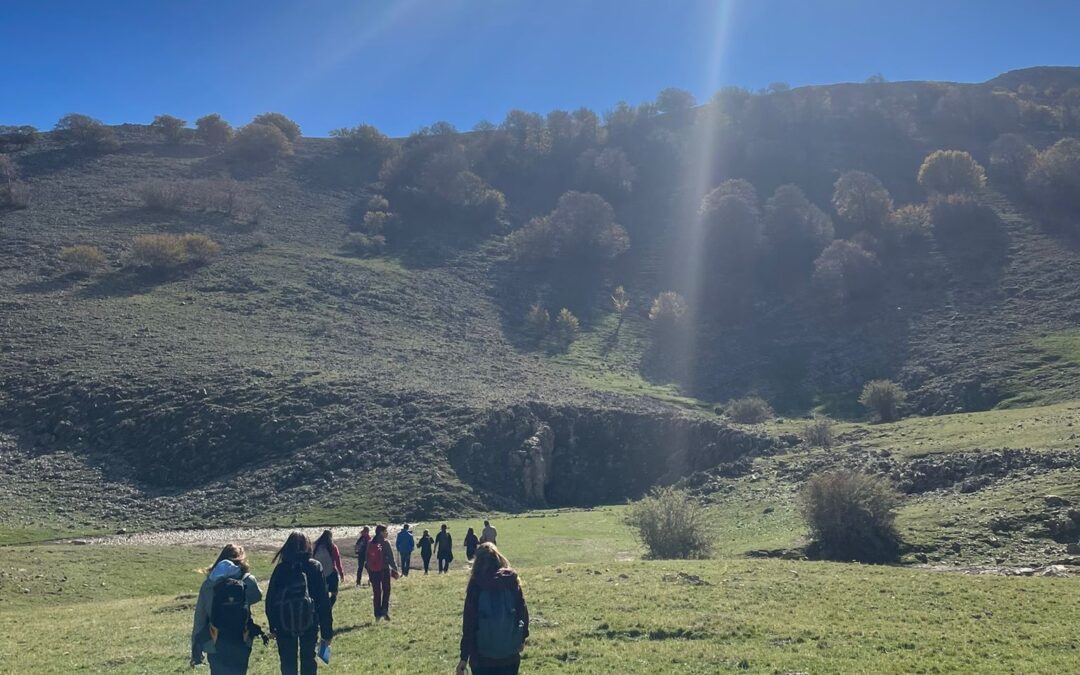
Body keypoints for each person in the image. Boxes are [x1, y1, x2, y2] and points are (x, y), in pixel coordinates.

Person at [456, 543, 529, 675]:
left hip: (482, 658)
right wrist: (522, 638)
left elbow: (469, 624)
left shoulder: (476, 584)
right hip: (509, 654)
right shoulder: (510, 580)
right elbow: (522, 612)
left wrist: (463, 658)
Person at [266, 532, 333, 675]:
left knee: (287, 663)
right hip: (310, 621)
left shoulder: (281, 569)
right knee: (308, 660)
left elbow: (270, 600)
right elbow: (323, 600)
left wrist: (273, 626)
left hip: (285, 623)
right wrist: (327, 632)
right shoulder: (314, 567)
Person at [190, 543, 263, 674]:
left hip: (215, 641)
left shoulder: (209, 584)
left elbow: (200, 617)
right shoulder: (247, 580)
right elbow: (258, 596)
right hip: (242, 639)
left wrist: (195, 646)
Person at [366, 524, 399, 620]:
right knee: (386, 590)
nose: (387, 533)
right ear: (381, 532)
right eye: (386, 531)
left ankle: (377, 614)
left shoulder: (370, 542)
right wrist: (395, 569)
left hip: (373, 571)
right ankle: (384, 610)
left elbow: (366, 558)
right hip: (384, 570)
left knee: (376, 592)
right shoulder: (385, 543)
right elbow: (391, 559)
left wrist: (369, 570)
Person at [312, 530, 345, 607]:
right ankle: (329, 606)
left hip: (319, 574)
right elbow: (337, 561)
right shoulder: (333, 547)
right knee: (334, 593)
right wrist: (341, 573)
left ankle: (323, 607)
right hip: (331, 573)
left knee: (323, 593)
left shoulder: (316, 546)